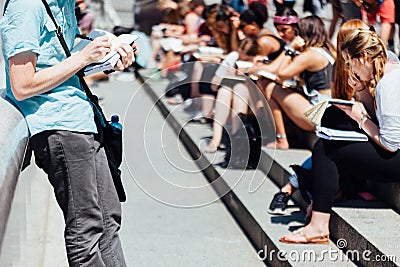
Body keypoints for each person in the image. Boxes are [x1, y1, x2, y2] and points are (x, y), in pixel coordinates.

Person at [1, 0, 135, 265]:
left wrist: (109, 54)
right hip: (59, 128)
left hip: (83, 119)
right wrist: (84, 57)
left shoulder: (63, 6)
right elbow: (23, 85)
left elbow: (61, 59)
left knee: (109, 220)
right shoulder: (26, 8)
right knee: (86, 229)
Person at [280, 29, 400, 244]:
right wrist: (361, 90)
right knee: (333, 129)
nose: (349, 69)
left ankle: (318, 224)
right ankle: (324, 204)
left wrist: (360, 120)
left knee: (326, 149)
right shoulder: (386, 74)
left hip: (396, 158)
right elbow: (381, 121)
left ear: (363, 58)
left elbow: (390, 143)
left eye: (350, 63)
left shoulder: (389, 84)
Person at [268, 19, 369, 215]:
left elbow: (280, 74)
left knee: (326, 146)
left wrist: (289, 50)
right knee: (327, 143)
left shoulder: (316, 54)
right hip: (350, 120)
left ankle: (290, 186)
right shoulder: (343, 65)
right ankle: (298, 189)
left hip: (368, 127)